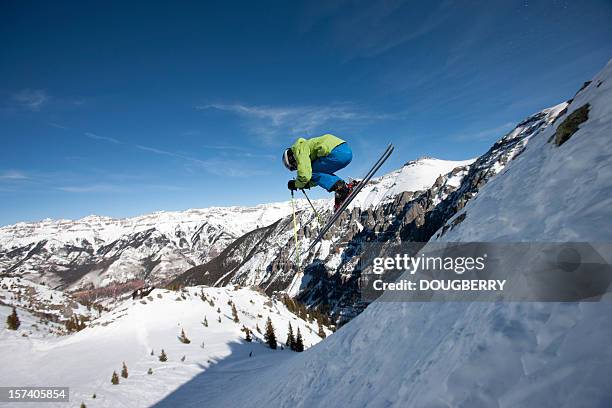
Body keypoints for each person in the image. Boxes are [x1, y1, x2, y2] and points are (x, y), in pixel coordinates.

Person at [282, 134, 355, 211]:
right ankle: (343, 188)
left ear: (291, 158)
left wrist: (296, 184)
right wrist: (305, 185)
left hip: (335, 152)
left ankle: (342, 189)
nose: (296, 167)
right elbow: (319, 177)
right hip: (346, 151)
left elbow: (305, 175)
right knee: (317, 171)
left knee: (312, 170)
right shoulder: (306, 148)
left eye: (294, 166)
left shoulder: (299, 150)